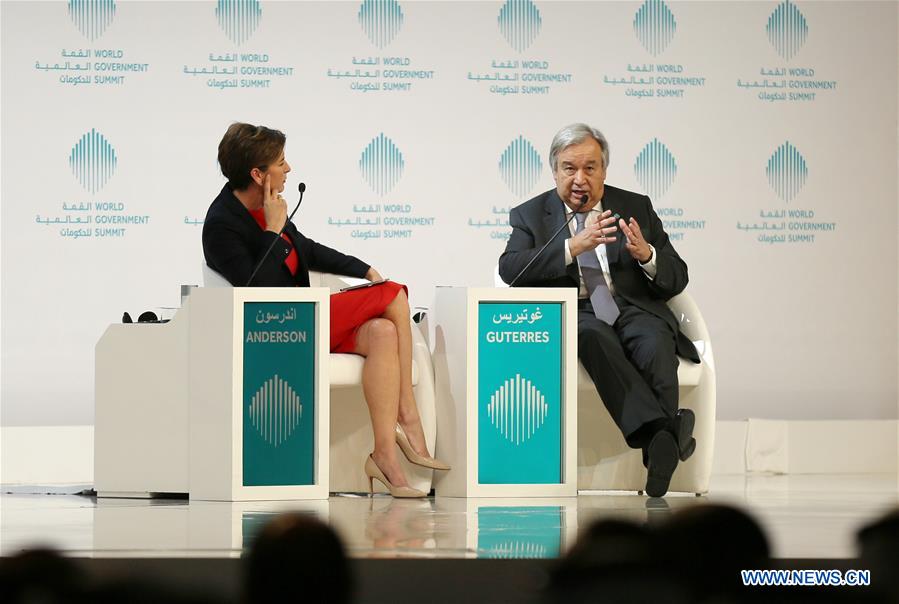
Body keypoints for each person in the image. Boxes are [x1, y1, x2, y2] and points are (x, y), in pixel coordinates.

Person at [203, 122, 448, 498]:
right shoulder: (222, 224)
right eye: (281, 163)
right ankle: (408, 414)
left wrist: (362, 268)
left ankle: (384, 456)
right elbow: (256, 290)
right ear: (258, 174)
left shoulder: (267, 207)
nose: (288, 169)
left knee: (383, 332)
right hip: (278, 327)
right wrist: (272, 230)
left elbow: (306, 250)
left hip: (306, 319)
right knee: (394, 295)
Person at [498, 123, 700, 498]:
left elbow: (678, 277)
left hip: (632, 306)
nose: (580, 178)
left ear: (604, 170)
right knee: (591, 336)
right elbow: (511, 270)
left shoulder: (635, 207)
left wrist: (648, 256)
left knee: (655, 341)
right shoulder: (530, 215)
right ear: (554, 171)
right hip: (578, 309)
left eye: (590, 167)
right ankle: (663, 435)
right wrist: (572, 247)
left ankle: (659, 445)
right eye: (569, 168)